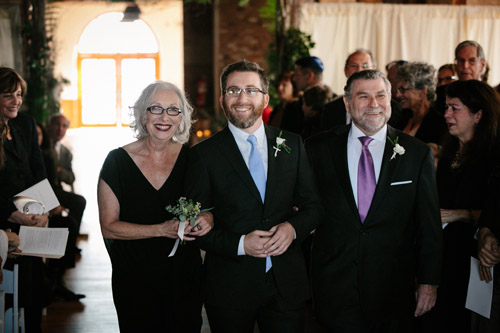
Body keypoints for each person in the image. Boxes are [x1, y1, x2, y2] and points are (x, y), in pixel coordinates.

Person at [184, 60, 322, 332]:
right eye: (233, 91)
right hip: (229, 287)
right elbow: (192, 225)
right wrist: (239, 244)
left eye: (250, 90)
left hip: (286, 283)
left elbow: (314, 206)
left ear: (265, 98)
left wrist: (293, 229)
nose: (242, 98)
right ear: (223, 100)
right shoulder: (203, 155)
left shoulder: (292, 144)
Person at [305, 69, 443, 332]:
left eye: (380, 95)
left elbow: (429, 224)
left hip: (393, 288)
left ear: (390, 99)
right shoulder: (316, 149)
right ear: (347, 103)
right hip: (334, 286)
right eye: (363, 96)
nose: (374, 104)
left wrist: (429, 282)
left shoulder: (416, 153)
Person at [97, 81, 213, 332]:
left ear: (182, 118)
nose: (164, 117)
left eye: (173, 110)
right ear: (143, 114)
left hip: (184, 276)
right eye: (156, 108)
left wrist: (206, 220)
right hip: (134, 277)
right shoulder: (116, 162)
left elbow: (207, 209)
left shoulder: (193, 159)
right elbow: (109, 228)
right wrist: (161, 229)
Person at [425, 80, 500, 333]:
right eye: (446, 107)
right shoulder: (448, 155)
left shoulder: (491, 157)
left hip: (473, 257)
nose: (446, 115)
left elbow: (494, 211)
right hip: (444, 255)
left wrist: (458, 215)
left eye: (454, 108)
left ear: (478, 115)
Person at [0, 66, 49, 332]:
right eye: (8, 95)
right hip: (3, 215)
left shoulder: (25, 124)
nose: (16, 101)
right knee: (14, 286)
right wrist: (10, 213)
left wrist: (44, 210)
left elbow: (37, 171)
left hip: (30, 209)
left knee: (34, 282)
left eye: (18, 94)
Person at [322, 49, 405, 131]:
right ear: (345, 70)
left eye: (365, 66)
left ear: (374, 69)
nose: (359, 70)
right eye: (354, 66)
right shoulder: (330, 109)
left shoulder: (394, 109)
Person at [47, 113, 87, 237]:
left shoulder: (66, 152)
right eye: (57, 125)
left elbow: (71, 178)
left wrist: (59, 170)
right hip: (45, 189)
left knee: (79, 202)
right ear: (50, 126)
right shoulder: (42, 145)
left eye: (64, 126)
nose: (60, 129)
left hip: (57, 190)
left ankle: (72, 239)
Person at [394, 62, 447, 145]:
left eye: (402, 90)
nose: (398, 95)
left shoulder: (438, 124)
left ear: (422, 92)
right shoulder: (402, 117)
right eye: (398, 90)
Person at [280, 56, 334, 134]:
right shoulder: (336, 102)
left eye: (297, 75)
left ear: (309, 76)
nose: (294, 79)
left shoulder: (294, 107)